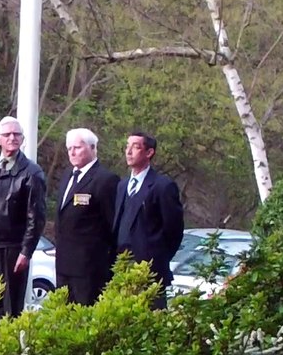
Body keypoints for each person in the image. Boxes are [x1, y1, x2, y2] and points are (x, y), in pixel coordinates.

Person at [0, 116, 47, 326]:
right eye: (7, 134)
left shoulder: (32, 173)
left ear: (22, 139)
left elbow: (36, 217)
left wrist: (26, 251)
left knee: (10, 309)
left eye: (16, 134)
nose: (12, 138)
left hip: (12, 249)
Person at [113, 132, 185, 310]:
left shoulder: (163, 186)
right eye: (127, 146)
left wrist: (156, 256)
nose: (129, 151)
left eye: (135, 147)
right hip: (121, 269)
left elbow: (174, 230)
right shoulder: (122, 185)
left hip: (150, 272)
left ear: (149, 152)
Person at [54, 128, 119, 305]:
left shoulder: (106, 180)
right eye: (69, 148)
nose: (72, 152)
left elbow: (112, 225)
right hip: (64, 265)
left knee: (84, 315)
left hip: (89, 268)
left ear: (92, 148)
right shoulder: (68, 175)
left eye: (77, 147)